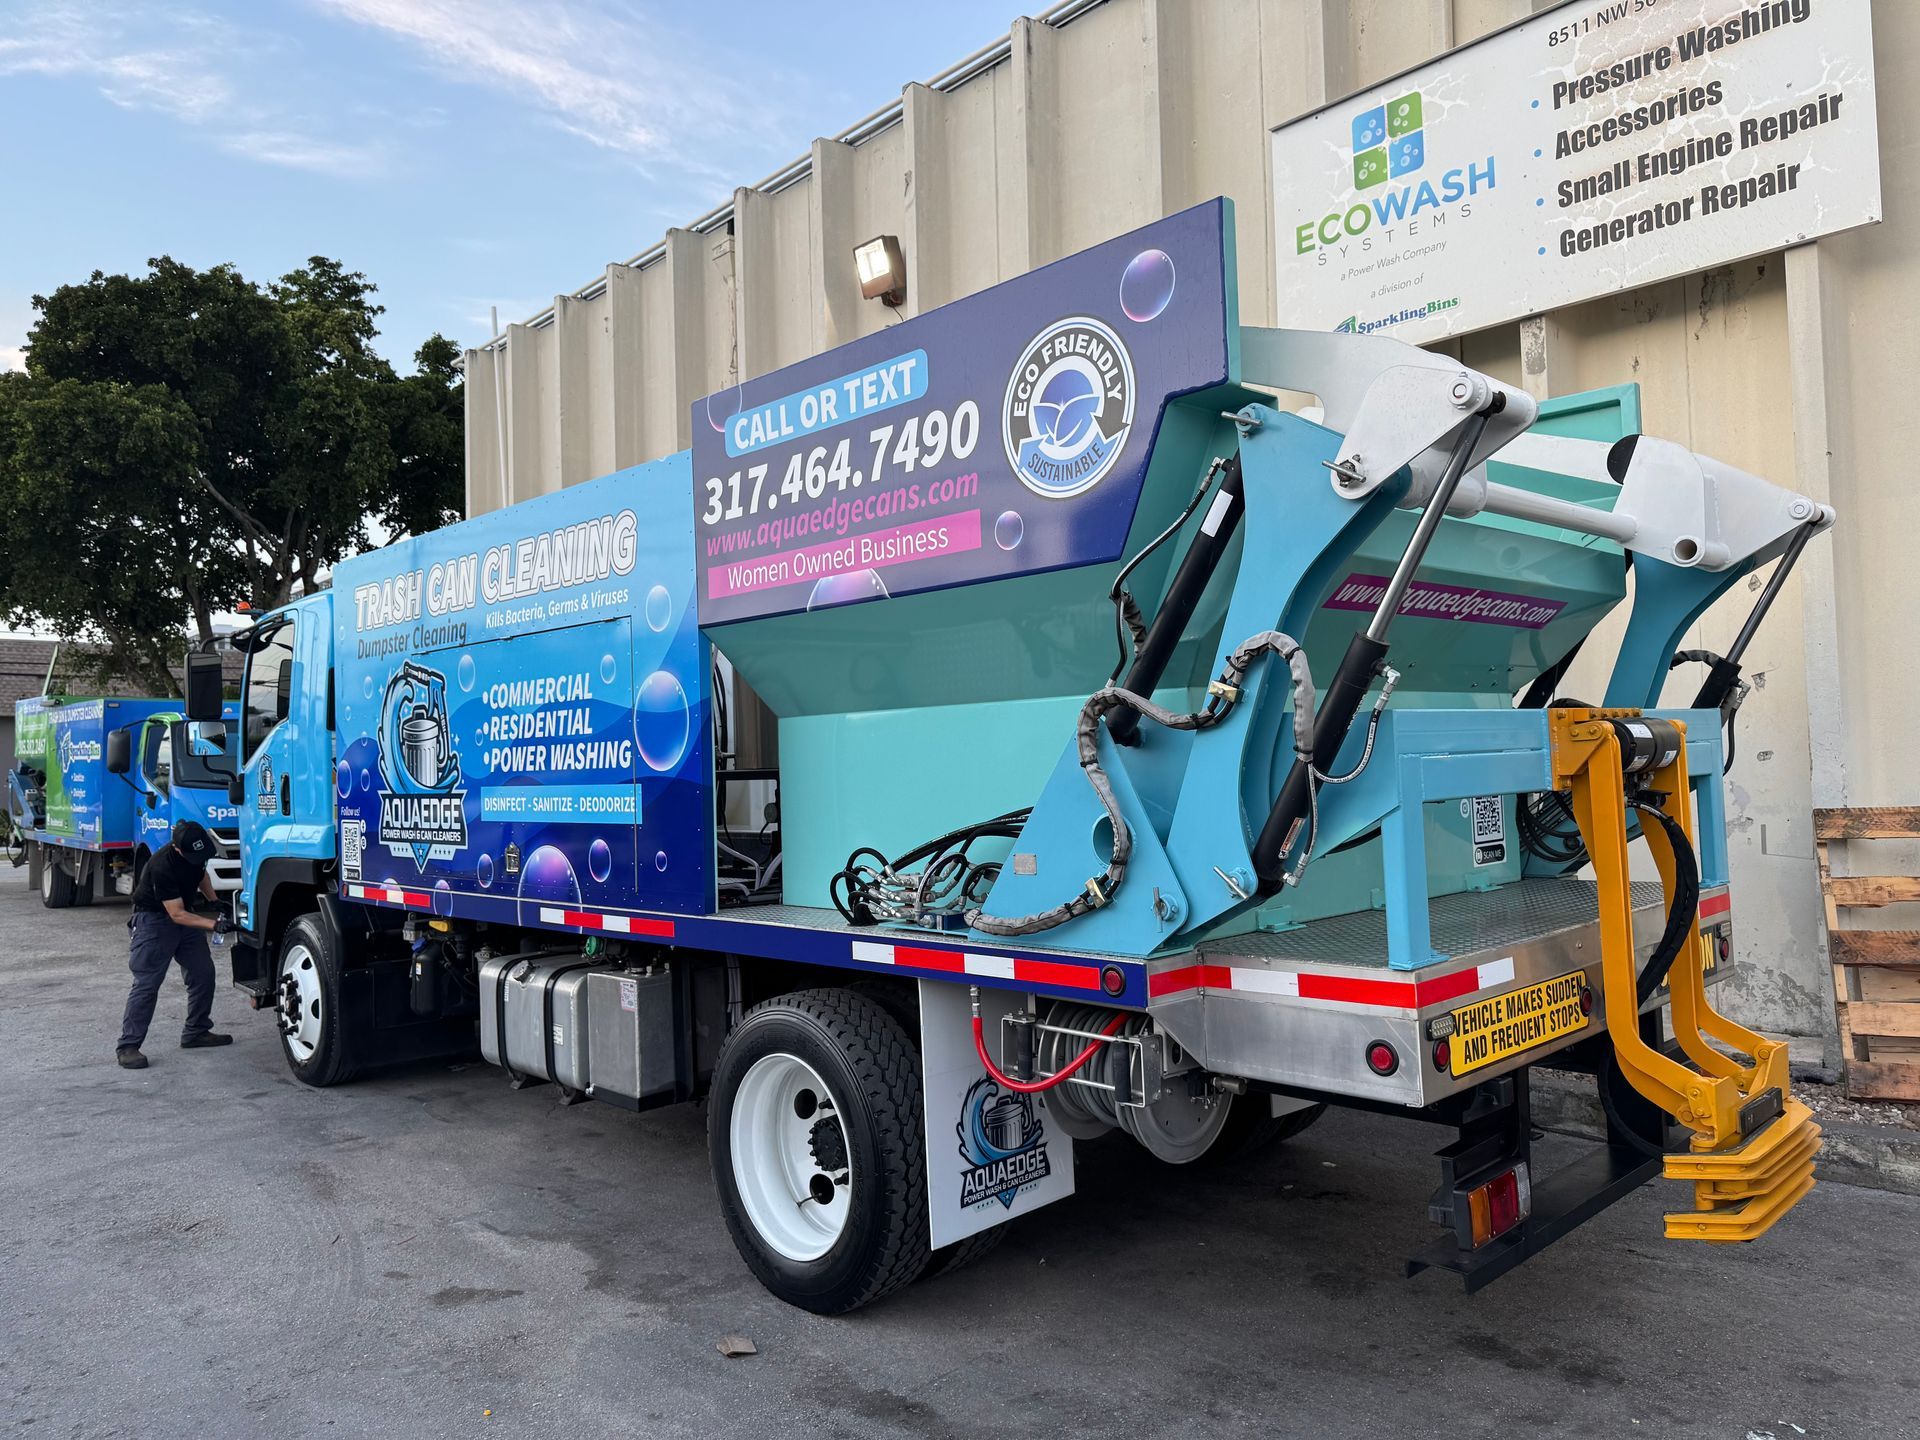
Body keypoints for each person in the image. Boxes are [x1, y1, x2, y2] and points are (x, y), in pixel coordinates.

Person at [116, 819, 234, 1069]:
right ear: (178, 848)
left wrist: (213, 901)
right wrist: (213, 924)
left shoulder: (196, 854)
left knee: (203, 972)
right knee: (147, 984)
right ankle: (128, 1046)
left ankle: (196, 1031)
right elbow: (176, 914)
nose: (199, 858)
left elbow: (200, 874)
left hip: (183, 916)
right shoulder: (162, 866)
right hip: (154, 921)